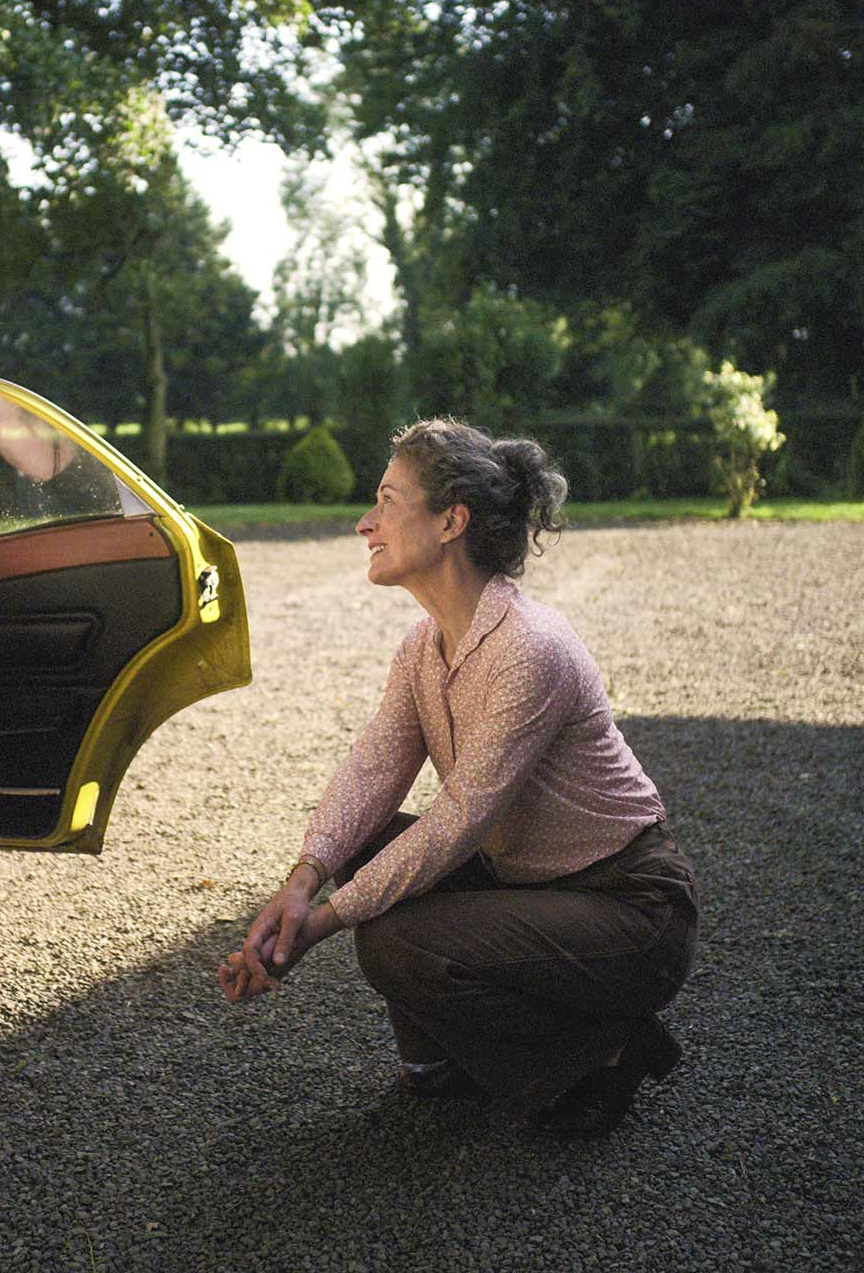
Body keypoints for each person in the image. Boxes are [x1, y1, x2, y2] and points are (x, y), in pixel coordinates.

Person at [218, 418, 698, 1136]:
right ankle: (444, 1061)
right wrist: (299, 883)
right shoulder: (424, 645)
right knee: (365, 841)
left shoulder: (527, 650)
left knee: (392, 941)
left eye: (386, 500)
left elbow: (456, 822)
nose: (364, 523)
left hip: (629, 910)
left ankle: (608, 1050)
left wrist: (314, 929)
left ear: (451, 521)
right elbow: (373, 768)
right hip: (530, 888)